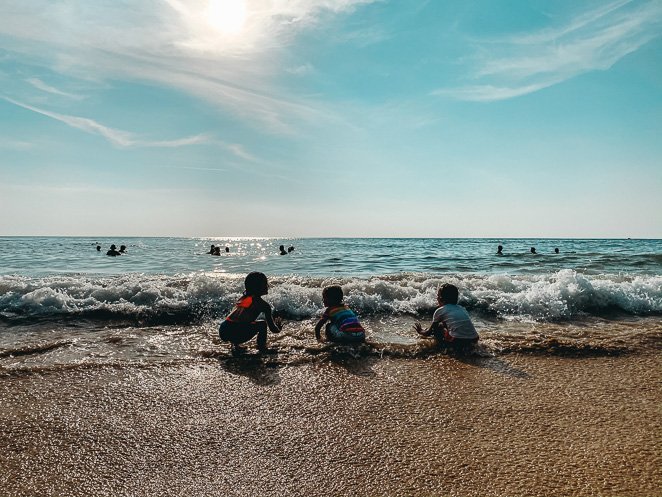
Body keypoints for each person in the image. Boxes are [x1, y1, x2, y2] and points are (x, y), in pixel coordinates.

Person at [218, 272, 282, 352]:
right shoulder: (263, 305)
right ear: (257, 287)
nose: (267, 286)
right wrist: (278, 328)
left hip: (224, 329)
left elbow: (238, 318)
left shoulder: (242, 298)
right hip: (235, 330)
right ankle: (262, 347)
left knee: (241, 321)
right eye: (265, 284)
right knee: (262, 324)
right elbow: (273, 329)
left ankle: (235, 345)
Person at [413, 283, 479, 352]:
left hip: (458, 341)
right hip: (474, 339)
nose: (437, 298)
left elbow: (429, 332)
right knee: (444, 324)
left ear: (442, 299)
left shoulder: (440, 311)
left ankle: (442, 347)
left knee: (438, 327)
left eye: (438, 296)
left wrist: (421, 331)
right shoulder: (462, 308)